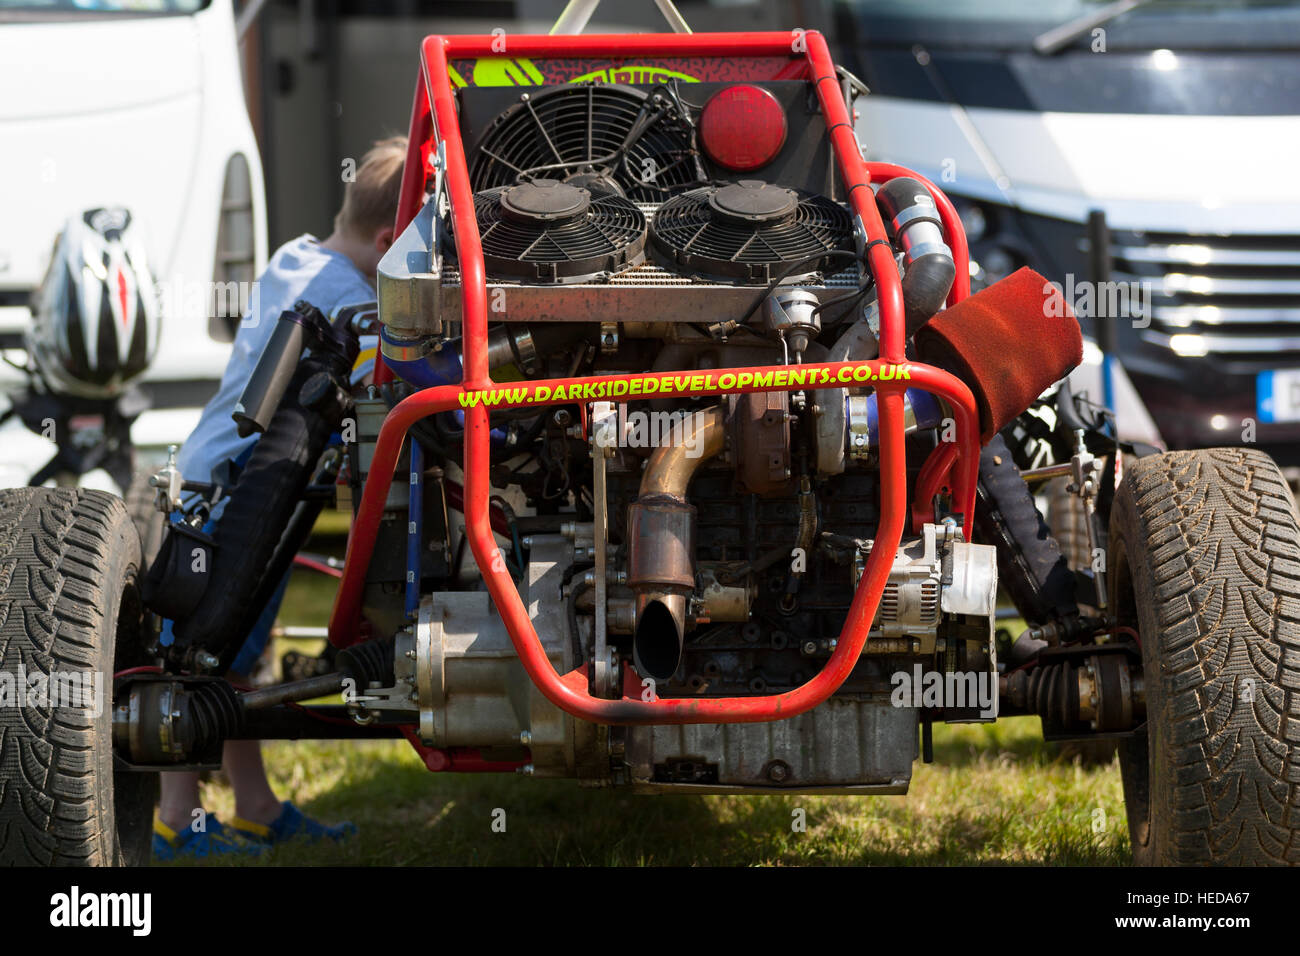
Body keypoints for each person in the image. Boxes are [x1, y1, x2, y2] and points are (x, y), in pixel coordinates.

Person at [152, 137, 407, 860]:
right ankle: (176, 820)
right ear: (389, 241)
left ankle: (256, 806)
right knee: (203, 655)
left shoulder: (295, 256)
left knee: (238, 659)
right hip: (239, 486)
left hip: (219, 473)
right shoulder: (352, 302)